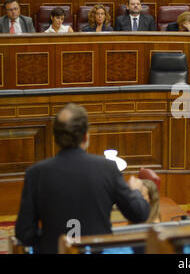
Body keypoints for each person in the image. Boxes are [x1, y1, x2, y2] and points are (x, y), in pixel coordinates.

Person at [15, 103, 150, 253]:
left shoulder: (35, 174)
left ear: (55, 138)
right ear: (86, 136)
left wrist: (51, 241)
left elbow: (23, 233)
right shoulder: (107, 169)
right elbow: (140, 214)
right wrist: (136, 191)